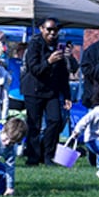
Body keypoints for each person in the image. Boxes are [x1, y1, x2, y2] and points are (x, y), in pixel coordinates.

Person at [22, 18, 70, 166]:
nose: (52, 33)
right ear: (41, 29)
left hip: (52, 91)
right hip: (33, 90)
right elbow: (34, 69)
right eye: (48, 29)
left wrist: (67, 96)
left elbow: (63, 74)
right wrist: (49, 61)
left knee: (56, 121)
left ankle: (48, 155)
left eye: (55, 30)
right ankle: (33, 157)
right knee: (34, 125)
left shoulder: (58, 46)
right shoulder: (34, 45)